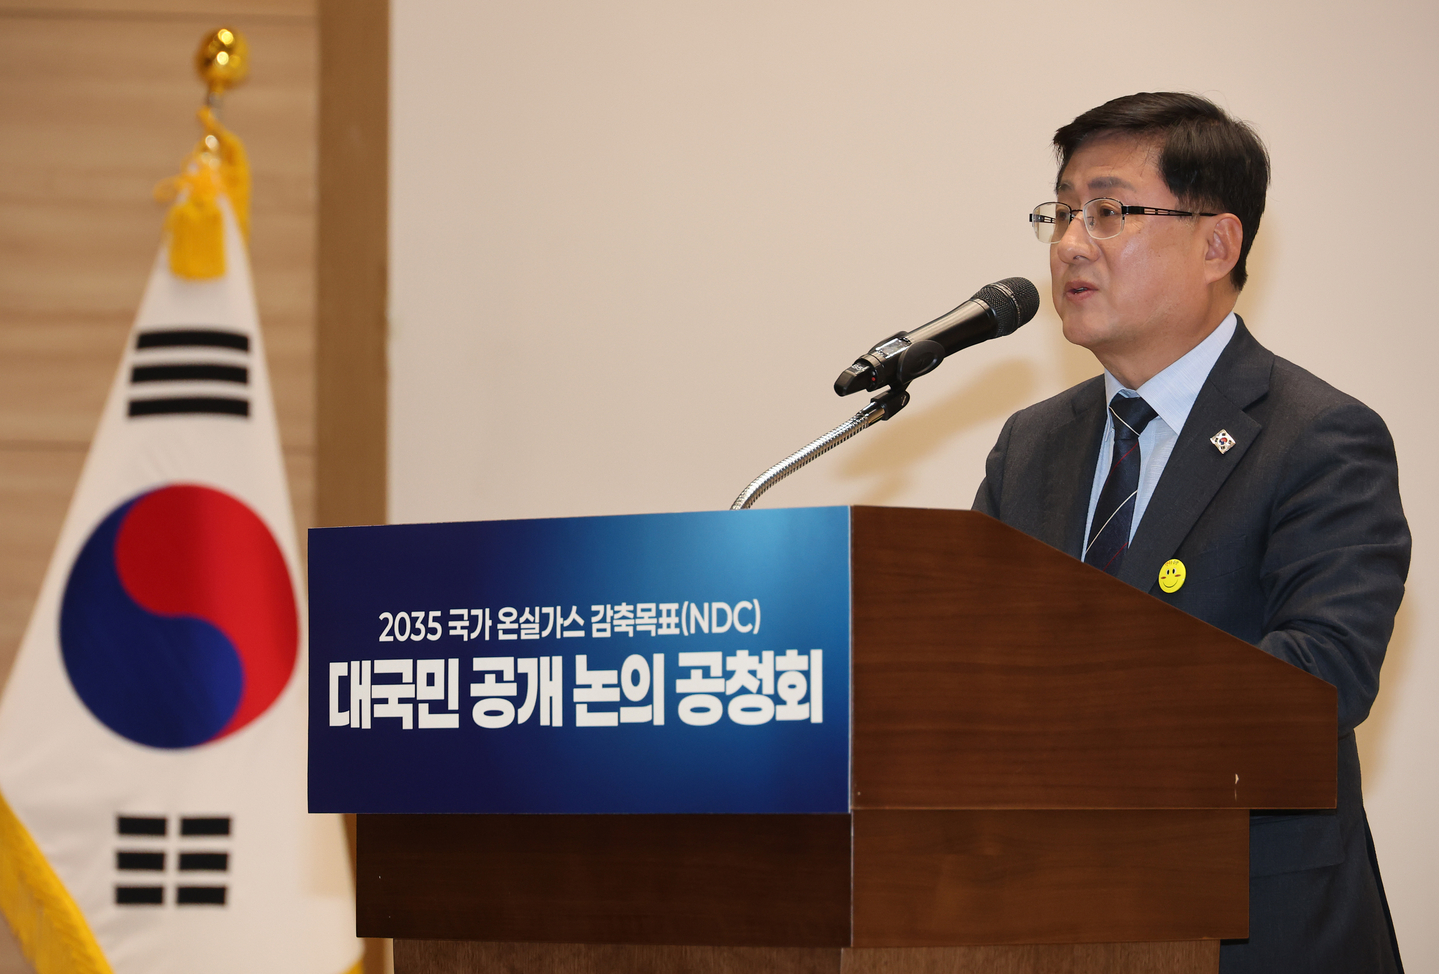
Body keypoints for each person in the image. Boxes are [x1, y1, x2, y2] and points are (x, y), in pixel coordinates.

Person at [973, 92, 1410, 973]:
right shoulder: (1032, 445)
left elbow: (1323, 676)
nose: (1067, 243)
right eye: (1058, 213)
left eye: (1106, 210)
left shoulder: (1318, 436)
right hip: (1049, 915)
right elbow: (965, 659)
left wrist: (1088, 702)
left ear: (1217, 243)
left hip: (1250, 924)